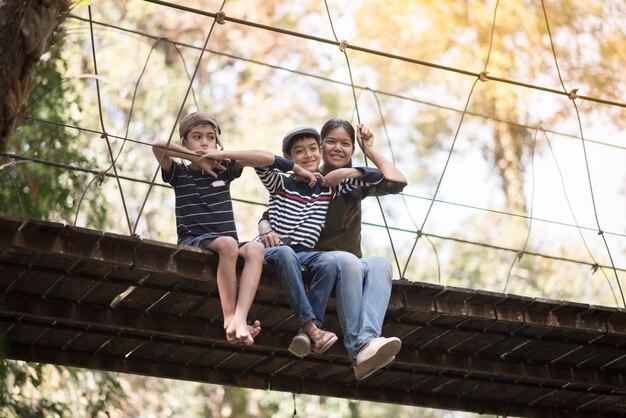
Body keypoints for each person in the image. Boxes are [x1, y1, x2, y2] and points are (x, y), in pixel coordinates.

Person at [258, 118, 407, 380]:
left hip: (350, 261)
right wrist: (265, 227)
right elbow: (277, 211)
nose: (338, 148)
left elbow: (397, 181)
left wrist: (365, 153)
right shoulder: (309, 179)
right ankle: (357, 348)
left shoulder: (353, 183)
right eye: (331, 142)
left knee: (382, 263)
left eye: (346, 144)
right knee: (348, 260)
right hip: (321, 260)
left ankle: (368, 340)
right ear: (320, 146)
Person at [152, 111, 293, 346]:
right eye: (197, 137)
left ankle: (240, 317)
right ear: (184, 142)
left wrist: (223, 154)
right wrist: (194, 158)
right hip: (195, 238)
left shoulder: (223, 171)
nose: (204, 142)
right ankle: (229, 319)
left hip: (227, 241)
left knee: (256, 250)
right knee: (228, 243)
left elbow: (265, 158)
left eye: (210, 137)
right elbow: (157, 145)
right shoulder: (180, 173)